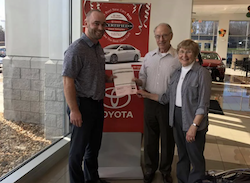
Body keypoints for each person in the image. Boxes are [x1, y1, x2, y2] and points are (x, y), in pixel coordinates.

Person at [137, 39, 212, 183]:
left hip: (193, 119)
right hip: (176, 118)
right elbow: (166, 98)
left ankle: (196, 180)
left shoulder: (202, 73)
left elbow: (203, 104)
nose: (184, 55)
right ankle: (183, 180)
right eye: (182, 52)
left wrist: (194, 126)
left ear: (195, 54)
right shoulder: (177, 73)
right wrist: (145, 94)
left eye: (188, 51)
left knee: (195, 157)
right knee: (182, 155)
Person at [62, 9, 113, 183]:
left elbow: (94, 74)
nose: (100, 27)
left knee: (94, 148)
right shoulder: (76, 49)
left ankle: (92, 179)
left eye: (103, 24)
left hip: (97, 105)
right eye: (96, 23)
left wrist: (111, 78)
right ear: (86, 23)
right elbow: (67, 81)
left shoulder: (98, 47)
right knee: (77, 151)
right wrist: (74, 110)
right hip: (82, 106)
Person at [133, 23, 181, 183]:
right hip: (149, 103)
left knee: (168, 140)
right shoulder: (148, 56)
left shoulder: (178, 58)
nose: (161, 39)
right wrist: (137, 82)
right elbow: (143, 77)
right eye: (158, 36)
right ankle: (149, 169)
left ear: (171, 36)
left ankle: (165, 171)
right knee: (150, 139)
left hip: (168, 105)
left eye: (165, 35)